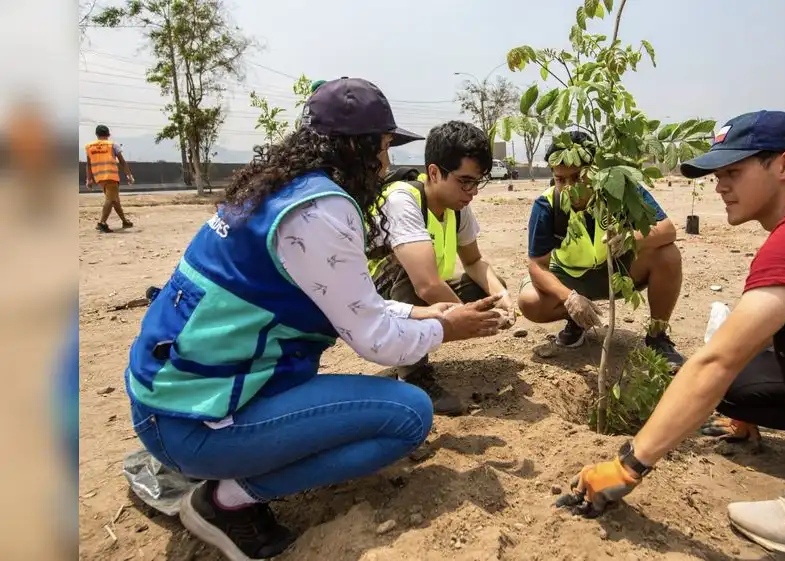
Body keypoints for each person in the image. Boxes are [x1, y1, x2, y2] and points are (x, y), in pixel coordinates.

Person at [124, 78, 503, 561]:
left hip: (174, 397)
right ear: (356, 147)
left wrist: (419, 312)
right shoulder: (322, 210)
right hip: (192, 421)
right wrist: (446, 327)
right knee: (409, 415)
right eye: (383, 148)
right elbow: (375, 340)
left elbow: (349, 303)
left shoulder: (281, 192)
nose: (386, 164)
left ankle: (227, 465)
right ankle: (226, 501)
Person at [564, 111, 785, 561]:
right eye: (717, 174)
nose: (719, 185)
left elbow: (717, 360)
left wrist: (629, 464)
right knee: (746, 385)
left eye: (734, 171)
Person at [368, 120, 512, 416]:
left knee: (487, 287)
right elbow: (426, 285)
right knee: (414, 278)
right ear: (434, 172)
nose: (472, 191)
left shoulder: (458, 208)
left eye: (477, 181)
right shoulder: (402, 200)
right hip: (375, 302)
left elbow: (473, 262)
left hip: (420, 293)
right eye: (465, 181)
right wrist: (469, 319)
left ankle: (417, 354)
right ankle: (413, 375)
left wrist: (501, 297)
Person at [517, 131, 685, 365]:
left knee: (668, 255)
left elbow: (667, 229)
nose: (568, 187)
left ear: (594, 170)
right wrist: (569, 298)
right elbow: (537, 266)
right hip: (572, 279)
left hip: (617, 271)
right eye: (560, 179)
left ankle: (657, 337)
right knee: (529, 302)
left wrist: (631, 239)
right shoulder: (547, 205)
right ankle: (577, 320)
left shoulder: (620, 188)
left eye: (576, 178)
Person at [84, 124, 135, 232]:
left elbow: (88, 164)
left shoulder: (89, 146)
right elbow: (122, 161)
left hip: (99, 177)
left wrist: (89, 179)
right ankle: (102, 223)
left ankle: (124, 221)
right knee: (111, 199)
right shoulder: (113, 145)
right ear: (108, 134)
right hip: (111, 176)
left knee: (115, 200)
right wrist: (129, 175)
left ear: (96, 134)